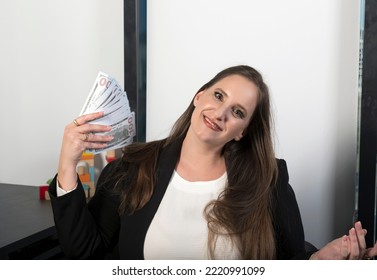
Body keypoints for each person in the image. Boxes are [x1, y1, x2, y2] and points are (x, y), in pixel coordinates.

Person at [49, 65, 377, 260]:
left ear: (241, 132)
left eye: (237, 112)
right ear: (199, 96)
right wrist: (68, 166)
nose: (220, 113)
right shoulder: (131, 167)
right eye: (219, 96)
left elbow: (289, 263)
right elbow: (87, 256)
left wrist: (319, 260)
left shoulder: (268, 180)